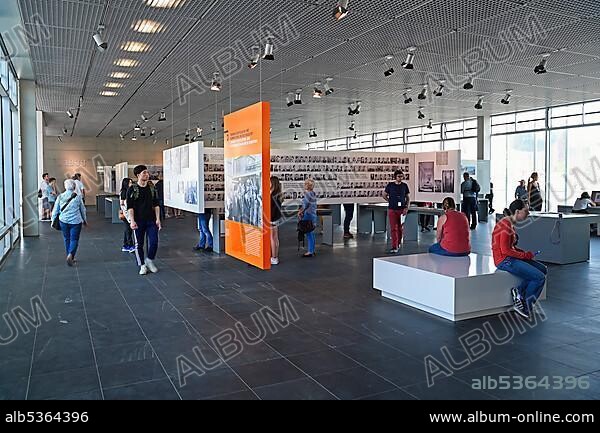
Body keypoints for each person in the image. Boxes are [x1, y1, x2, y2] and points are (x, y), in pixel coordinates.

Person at [492, 199, 547, 319]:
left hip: (509, 257)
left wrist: (522, 253)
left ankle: (519, 292)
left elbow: (510, 247)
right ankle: (525, 305)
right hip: (505, 260)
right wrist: (524, 255)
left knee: (543, 269)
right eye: (526, 211)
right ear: (517, 211)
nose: (528, 213)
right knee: (539, 278)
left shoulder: (509, 224)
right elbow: (505, 250)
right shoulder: (505, 225)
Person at [127, 165, 162, 275]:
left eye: (147, 172)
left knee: (154, 242)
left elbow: (156, 204)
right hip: (138, 221)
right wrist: (132, 221)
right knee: (139, 244)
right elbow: (130, 207)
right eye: (144, 172)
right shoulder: (132, 189)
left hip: (151, 220)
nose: (147, 174)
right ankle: (142, 265)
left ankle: (149, 260)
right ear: (138, 175)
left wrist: (158, 219)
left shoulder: (152, 188)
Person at [52, 179, 87, 267]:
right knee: (74, 239)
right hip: (76, 221)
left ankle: (69, 254)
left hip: (63, 221)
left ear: (65, 186)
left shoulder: (60, 196)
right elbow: (82, 210)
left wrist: (53, 220)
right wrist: (84, 220)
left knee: (66, 238)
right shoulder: (78, 197)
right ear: (74, 186)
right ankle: (71, 255)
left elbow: (55, 210)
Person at [383, 170, 410, 254]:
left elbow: (408, 198)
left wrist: (407, 207)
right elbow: (384, 195)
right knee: (393, 228)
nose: (400, 178)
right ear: (395, 177)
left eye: (401, 176)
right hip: (392, 209)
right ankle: (394, 245)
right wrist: (390, 201)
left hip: (401, 209)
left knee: (400, 228)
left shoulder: (404, 186)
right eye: (399, 176)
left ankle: (398, 243)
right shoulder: (390, 185)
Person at [299, 178, 317, 258]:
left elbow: (304, 205)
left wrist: (300, 212)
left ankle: (310, 251)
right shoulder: (313, 193)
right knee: (311, 233)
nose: (304, 185)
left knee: (309, 233)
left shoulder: (308, 194)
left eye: (305, 184)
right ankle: (312, 250)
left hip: (308, 215)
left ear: (307, 185)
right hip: (312, 214)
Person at [269, 176, 283, 264]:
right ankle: (275, 256)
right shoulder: (278, 194)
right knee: (275, 238)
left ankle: (274, 257)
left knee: (272, 238)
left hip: (272, 218)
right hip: (276, 218)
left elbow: (272, 209)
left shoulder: (273, 195)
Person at [120, 178, 135, 253]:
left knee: (127, 230)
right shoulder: (124, 192)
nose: (131, 184)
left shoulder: (128, 192)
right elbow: (123, 204)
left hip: (127, 214)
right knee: (128, 230)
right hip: (126, 214)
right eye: (130, 183)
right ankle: (130, 245)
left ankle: (125, 245)